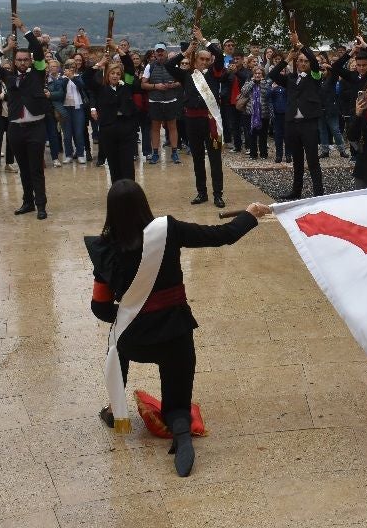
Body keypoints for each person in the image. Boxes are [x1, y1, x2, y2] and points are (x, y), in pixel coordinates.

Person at [86, 180, 272, 475]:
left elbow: (100, 307)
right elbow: (223, 236)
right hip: (175, 333)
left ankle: (114, 410)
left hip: (134, 340)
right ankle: (181, 430)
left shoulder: (103, 248)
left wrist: (131, 314)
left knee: (117, 338)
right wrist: (250, 214)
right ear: (143, 204)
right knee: (176, 396)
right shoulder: (167, 230)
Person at [0, 14, 50, 219]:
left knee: (36, 169)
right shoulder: (8, 76)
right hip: (15, 128)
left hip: (36, 127)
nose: (22, 62)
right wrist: (3, 48)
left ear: (30, 61)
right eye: (19, 60)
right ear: (14, 61)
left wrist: (23, 29)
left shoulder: (38, 73)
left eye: (25, 60)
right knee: (23, 168)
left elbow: (38, 50)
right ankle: (27, 202)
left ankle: (41, 205)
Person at [166, 28, 227, 208]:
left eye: (208, 59)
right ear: (196, 59)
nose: (205, 62)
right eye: (202, 58)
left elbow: (219, 55)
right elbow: (169, 66)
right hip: (192, 122)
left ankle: (218, 194)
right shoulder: (187, 75)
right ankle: (202, 192)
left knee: (215, 159)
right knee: (198, 158)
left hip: (211, 122)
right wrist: (186, 52)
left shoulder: (216, 74)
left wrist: (204, 40)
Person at [269, 33, 325, 200]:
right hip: (292, 122)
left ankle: (318, 193)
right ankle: (296, 191)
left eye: (305, 61)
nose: (302, 63)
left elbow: (315, 62)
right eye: (300, 61)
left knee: (313, 160)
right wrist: (287, 58)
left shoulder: (315, 76)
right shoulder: (291, 79)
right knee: (297, 160)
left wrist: (300, 45)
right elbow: (273, 75)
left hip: (309, 123)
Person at [88, 41, 141, 184]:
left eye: (118, 73)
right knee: (113, 163)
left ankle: (130, 191)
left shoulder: (127, 86)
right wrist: (100, 63)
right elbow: (86, 77)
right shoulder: (101, 88)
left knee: (127, 163)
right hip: (108, 129)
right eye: (112, 73)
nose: (115, 76)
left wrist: (116, 48)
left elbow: (129, 66)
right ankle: (117, 191)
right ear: (107, 74)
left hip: (126, 128)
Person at [142, 44, 182, 164]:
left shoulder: (173, 65)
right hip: (155, 101)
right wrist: (156, 86)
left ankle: (174, 152)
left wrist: (173, 85)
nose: (160, 54)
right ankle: (155, 153)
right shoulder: (150, 66)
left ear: (166, 52)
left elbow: (182, 80)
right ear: (155, 53)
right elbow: (143, 84)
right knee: (155, 128)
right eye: (158, 52)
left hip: (171, 99)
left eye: (162, 51)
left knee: (172, 126)